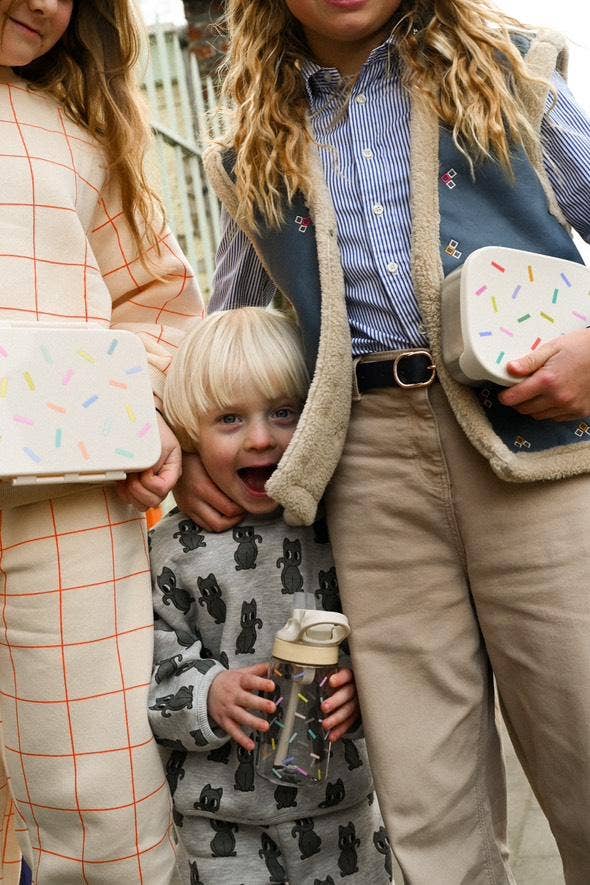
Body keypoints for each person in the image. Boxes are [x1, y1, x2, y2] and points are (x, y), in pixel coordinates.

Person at [173, 1, 590, 883]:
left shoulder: (507, 71)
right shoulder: (258, 140)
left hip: (536, 446)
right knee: (423, 793)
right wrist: (185, 444)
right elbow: (228, 322)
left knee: (581, 730)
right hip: (367, 470)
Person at [0, 1, 202, 882]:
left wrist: (151, 408)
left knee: (101, 790)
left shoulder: (80, 131)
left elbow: (158, 304)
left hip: (70, 506)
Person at [148, 307, 392, 885]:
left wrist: (367, 687)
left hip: (344, 814)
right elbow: (148, 664)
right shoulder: (172, 548)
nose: (261, 438)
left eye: (283, 413)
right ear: (188, 434)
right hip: (220, 825)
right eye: (229, 419)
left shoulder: (342, 525)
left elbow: (396, 632)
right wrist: (209, 694)